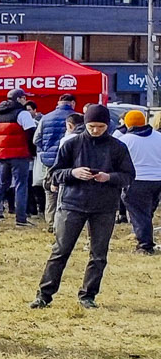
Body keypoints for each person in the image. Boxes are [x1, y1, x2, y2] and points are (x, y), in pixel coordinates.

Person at [32, 103, 134, 309]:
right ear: (85, 124)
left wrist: (109, 177)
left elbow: (129, 176)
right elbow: (54, 173)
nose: (95, 130)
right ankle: (44, 295)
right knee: (60, 250)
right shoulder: (71, 144)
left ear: (108, 125)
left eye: (100, 127)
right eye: (92, 126)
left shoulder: (117, 147)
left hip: (104, 206)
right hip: (73, 203)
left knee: (98, 254)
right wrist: (73, 173)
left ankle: (88, 295)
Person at [119, 108, 161, 255]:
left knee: (140, 214)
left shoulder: (125, 140)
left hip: (136, 181)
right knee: (146, 213)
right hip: (157, 181)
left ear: (127, 124)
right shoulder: (158, 137)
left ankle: (145, 246)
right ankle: (143, 236)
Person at [34, 93, 79, 227]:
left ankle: (51, 221)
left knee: (50, 189)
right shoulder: (76, 118)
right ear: (72, 103)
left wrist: (45, 151)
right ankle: (64, 221)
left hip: (50, 160)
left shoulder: (46, 117)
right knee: (67, 189)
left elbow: (36, 139)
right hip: (70, 160)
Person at [0, 94, 34, 226]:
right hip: (19, 153)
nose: (26, 100)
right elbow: (31, 133)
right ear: (20, 99)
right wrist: (32, 152)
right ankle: (21, 219)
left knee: (3, 184)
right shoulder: (23, 113)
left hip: (2, 154)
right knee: (21, 185)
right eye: (24, 98)